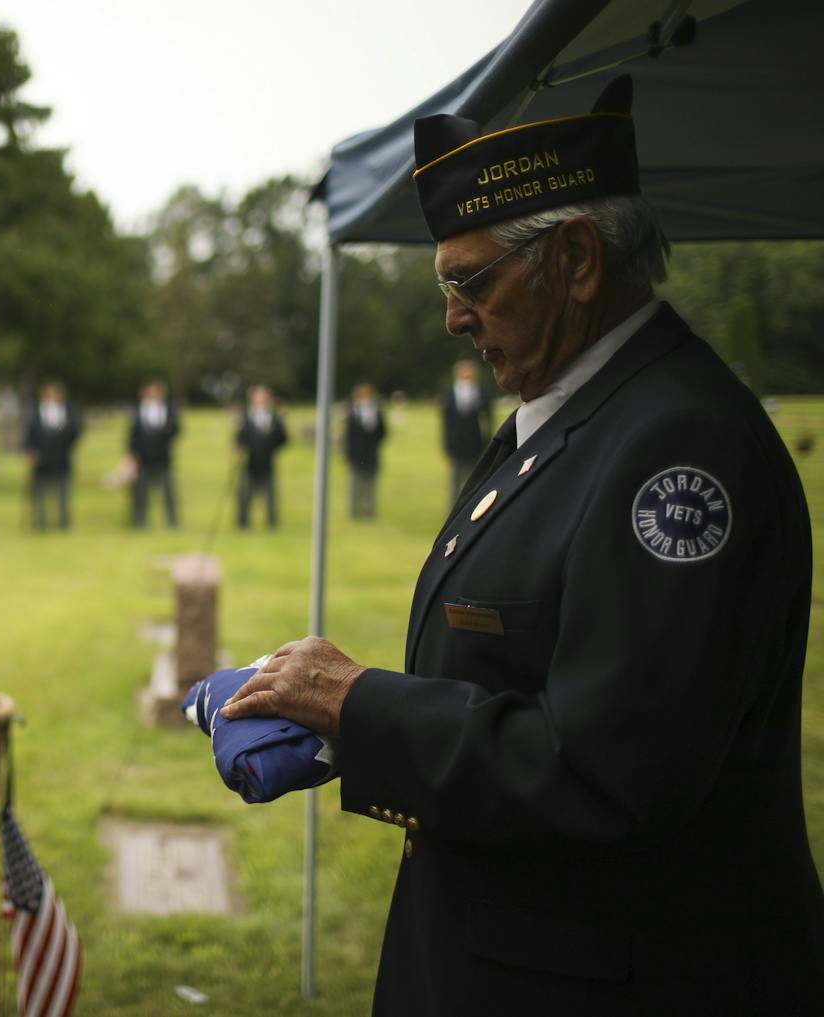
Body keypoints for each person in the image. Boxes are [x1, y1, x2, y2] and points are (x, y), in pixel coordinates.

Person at [220, 77, 824, 1014]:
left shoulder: (680, 444)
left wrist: (361, 701)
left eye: (471, 280)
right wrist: (341, 721)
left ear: (577, 260)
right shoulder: (583, 407)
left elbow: (607, 770)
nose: (454, 316)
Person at [22, 381, 81, 531]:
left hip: (61, 457)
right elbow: (28, 434)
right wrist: (30, 451)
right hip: (41, 457)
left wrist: (66, 445)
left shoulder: (68, 410)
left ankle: (63, 521)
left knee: (63, 490)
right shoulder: (34, 412)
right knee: (39, 491)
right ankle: (41, 521)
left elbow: (75, 431)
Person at [127, 380, 180, 528]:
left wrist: (165, 429)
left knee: (168, 492)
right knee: (141, 493)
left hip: (163, 458)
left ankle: (173, 522)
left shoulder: (169, 410)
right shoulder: (138, 411)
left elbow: (176, 430)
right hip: (143, 459)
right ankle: (140, 522)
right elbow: (133, 436)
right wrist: (132, 456)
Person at [234, 384, 287, 529]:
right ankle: (242, 524)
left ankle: (272, 524)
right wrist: (238, 450)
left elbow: (283, 439)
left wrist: (272, 436)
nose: (260, 400)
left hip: (267, 462)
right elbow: (240, 438)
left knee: (270, 496)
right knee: (245, 495)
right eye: (257, 397)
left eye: (263, 397)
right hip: (249, 463)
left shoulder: (274, 417)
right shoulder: (246, 417)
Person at [440, 358, 492, 504]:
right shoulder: (448, 395)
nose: (467, 373)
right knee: (455, 480)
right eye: (463, 370)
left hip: (477, 442)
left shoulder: (483, 393)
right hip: (456, 443)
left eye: (470, 370)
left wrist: (487, 441)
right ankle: (453, 509)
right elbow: (445, 423)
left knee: (476, 479)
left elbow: (488, 420)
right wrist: (446, 445)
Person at [345, 383, 387, 519]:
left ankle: (370, 511)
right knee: (355, 484)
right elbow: (348, 435)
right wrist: (349, 455)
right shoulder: (352, 412)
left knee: (371, 484)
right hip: (356, 454)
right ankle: (355, 511)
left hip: (371, 453)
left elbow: (382, 432)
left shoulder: (376, 412)